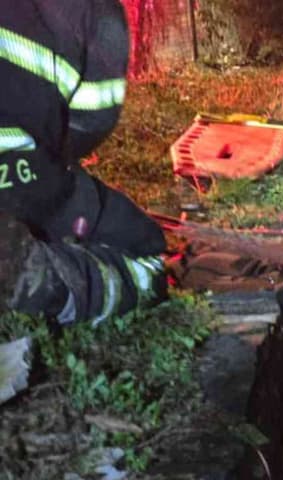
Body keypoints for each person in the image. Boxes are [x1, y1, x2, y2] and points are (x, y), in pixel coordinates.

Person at [0, 0, 166, 326]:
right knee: (146, 255)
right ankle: (43, 280)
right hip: (16, 176)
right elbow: (90, 124)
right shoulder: (93, 11)